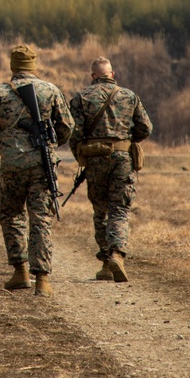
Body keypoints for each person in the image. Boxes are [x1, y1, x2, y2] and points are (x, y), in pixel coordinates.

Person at [0, 43, 73, 297]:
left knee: (11, 214)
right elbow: (66, 126)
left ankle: (20, 271)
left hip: (12, 166)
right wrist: (50, 145)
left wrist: (7, 148)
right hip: (42, 165)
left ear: (13, 66)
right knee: (41, 218)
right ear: (33, 65)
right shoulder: (51, 90)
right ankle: (42, 279)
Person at [69, 56, 153, 282]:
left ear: (93, 76)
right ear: (112, 75)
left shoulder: (81, 97)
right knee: (119, 208)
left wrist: (82, 151)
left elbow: (73, 133)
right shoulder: (129, 96)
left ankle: (107, 262)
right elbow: (146, 128)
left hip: (96, 159)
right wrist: (126, 140)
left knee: (100, 209)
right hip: (123, 159)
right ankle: (117, 254)